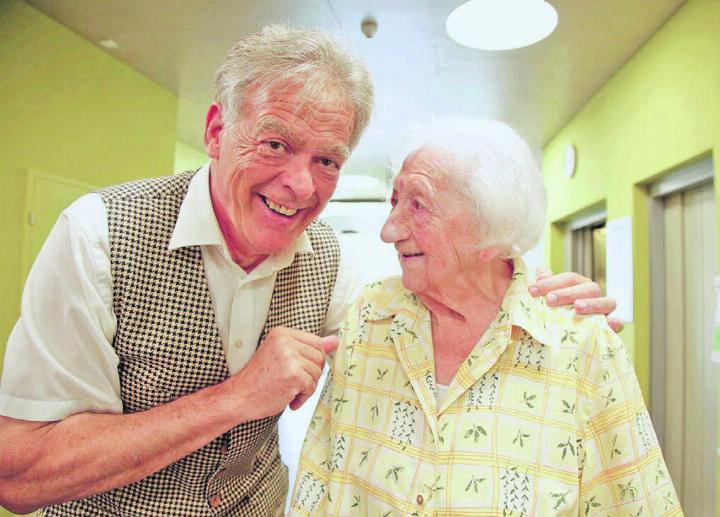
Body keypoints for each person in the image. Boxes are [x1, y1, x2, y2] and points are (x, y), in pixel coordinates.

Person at [0, 27, 617, 517]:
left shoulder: (331, 261)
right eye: (275, 144)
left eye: (327, 159)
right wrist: (237, 399)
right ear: (217, 130)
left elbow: (441, 305)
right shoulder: (97, 235)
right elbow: (19, 475)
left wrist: (531, 293)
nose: (300, 185)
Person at [289, 120, 680, 516]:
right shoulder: (371, 315)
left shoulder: (582, 348)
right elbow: (319, 481)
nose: (389, 231)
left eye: (419, 205)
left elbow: (639, 502)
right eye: (394, 202)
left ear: (490, 230)